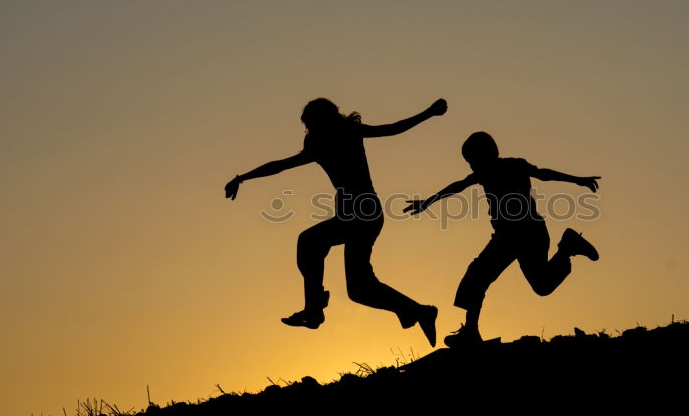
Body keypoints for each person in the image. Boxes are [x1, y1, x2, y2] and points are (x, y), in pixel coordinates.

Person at [225, 97, 446, 346]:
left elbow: (392, 129)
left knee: (317, 249)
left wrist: (428, 112)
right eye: (308, 126)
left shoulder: (348, 131)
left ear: (325, 119)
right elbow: (282, 165)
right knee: (354, 285)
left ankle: (316, 308)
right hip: (353, 215)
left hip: (363, 213)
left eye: (312, 124)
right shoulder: (318, 143)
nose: (309, 130)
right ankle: (416, 311)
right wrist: (243, 177)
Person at [404, 131, 599, 347]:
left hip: (520, 235)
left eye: (471, 161)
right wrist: (578, 180)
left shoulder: (496, 168)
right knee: (528, 284)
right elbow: (542, 174)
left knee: (484, 278)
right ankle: (566, 248)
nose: (471, 167)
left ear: (485, 155)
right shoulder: (502, 167)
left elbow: (543, 174)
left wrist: (428, 202)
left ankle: (470, 332)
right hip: (522, 234)